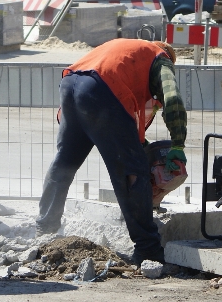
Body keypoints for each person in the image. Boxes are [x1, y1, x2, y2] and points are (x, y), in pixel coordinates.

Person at [36, 39, 187, 265]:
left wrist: (138, 147)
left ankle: (44, 232)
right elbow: (172, 98)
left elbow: (125, 126)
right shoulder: (161, 59)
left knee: (64, 163)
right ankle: (148, 249)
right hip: (103, 89)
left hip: (71, 85)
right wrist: (177, 144)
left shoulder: (127, 52)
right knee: (132, 173)